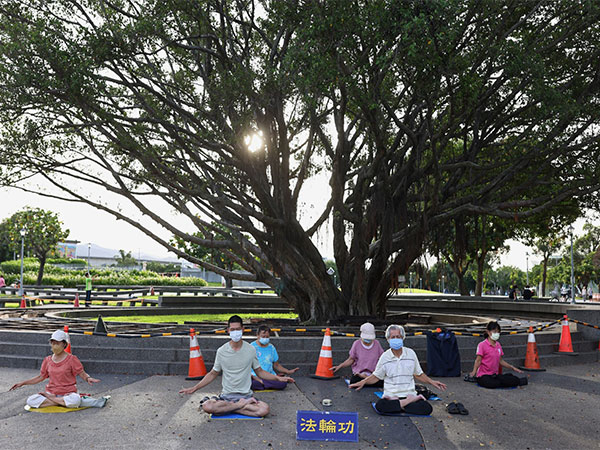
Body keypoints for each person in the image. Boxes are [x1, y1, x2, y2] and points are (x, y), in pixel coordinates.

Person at [179, 315, 295, 417]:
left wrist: (278, 378)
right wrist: (195, 388)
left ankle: (229, 408)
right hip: (226, 397)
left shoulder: (250, 349)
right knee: (207, 406)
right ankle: (239, 407)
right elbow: (213, 373)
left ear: (243, 329)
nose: (235, 332)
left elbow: (260, 372)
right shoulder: (222, 351)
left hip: (246, 396)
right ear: (228, 330)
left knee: (264, 409)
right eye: (233, 329)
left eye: (238, 329)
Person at [350, 324, 447, 415]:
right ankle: (406, 404)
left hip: (409, 394)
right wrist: (363, 382)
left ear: (403, 338)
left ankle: (400, 406)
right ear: (388, 339)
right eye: (393, 337)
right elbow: (376, 376)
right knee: (381, 406)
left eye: (398, 337)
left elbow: (418, 374)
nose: (396, 339)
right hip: (391, 397)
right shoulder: (385, 357)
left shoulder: (411, 353)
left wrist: (432, 382)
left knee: (427, 408)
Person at [9, 329, 106, 409]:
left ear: (64, 344)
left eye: (57, 343)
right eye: (53, 342)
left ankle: (54, 400)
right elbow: (40, 377)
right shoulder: (47, 360)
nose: (54, 345)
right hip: (52, 393)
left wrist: (88, 378)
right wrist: (22, 383)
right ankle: (59, 402)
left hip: (68, 394)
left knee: (74, 400)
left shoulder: (72, 359)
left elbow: (81, 372)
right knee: (31, 400)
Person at [468, 321, 525, 388]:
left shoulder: (498, 345)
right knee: (493, 383)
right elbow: (478, 360)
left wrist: (512, 367)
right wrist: (473, 372)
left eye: (498, 332)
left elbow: (500, 361)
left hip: (494, 375)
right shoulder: (482, 345)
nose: (497, 333)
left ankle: (512, 379)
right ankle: (507, 381)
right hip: (483, 375)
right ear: (488, 332)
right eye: (494, 331)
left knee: (510, 380)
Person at [331, 322, 384, 387]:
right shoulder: (356, 344)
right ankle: (364, 379)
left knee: (382, 382)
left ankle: (365, 381)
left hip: (373, 374)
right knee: (355, 380)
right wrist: (339, 366)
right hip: (359, 373)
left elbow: (382, 358)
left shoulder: (377, 344)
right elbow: (351, 359)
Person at [251, 324, 299, 391]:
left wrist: (288, 371)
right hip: (255, 376)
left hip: (270, 376)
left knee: (283, 384)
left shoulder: (271, 348)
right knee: (251, 383)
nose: (265, 338)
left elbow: (276, 365)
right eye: (263, 336)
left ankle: (263, 384)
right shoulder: (251, 347)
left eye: (267, 337)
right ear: (258, 336)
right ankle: (264, 383)